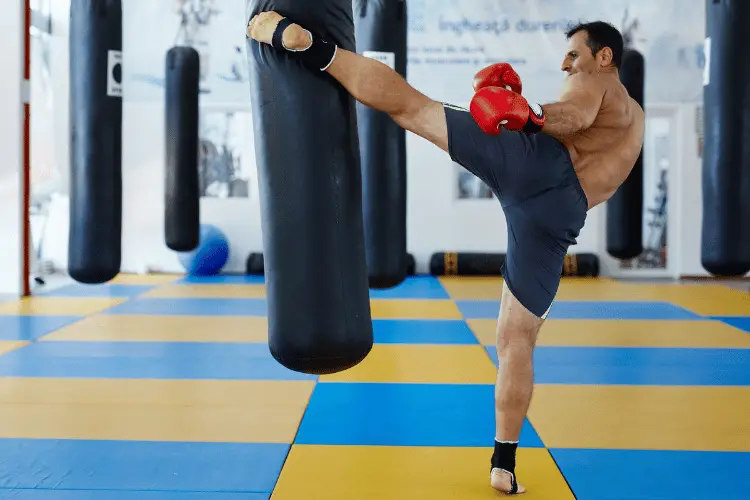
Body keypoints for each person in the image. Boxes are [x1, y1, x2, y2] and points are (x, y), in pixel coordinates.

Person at [247, 12, 644, 495]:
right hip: (562, 215)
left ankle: (313, 49)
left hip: (537, 168)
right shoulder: (634, 120)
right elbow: (589, 138)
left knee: (413, 108)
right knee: (517, 339)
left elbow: (574, 116)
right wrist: (524, 110)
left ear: (604, 57)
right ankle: (504, 463)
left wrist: (531, 114)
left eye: (574, 54)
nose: (566, 65)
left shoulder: (599, 83)